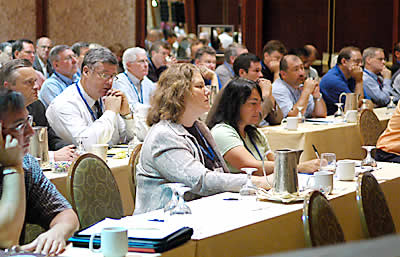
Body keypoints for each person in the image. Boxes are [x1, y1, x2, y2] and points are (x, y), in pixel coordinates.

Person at [134, 63, 271, 214]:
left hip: (201, 210)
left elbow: (219, 173)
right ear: (179, 93)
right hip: (163, 220)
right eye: (199, 86)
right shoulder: (163, 135)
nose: (207, 91)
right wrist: (256, 182)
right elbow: (200, 181)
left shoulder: (199, 127)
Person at [0, 89, 79, 254]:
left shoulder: (27, 163)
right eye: (20, 125)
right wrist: (12, 168)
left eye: (28, 121)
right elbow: (6, 238)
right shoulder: (19, 164)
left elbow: (65, 214)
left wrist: (57, 232)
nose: (30, 132)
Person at [207, 78, 319, 175]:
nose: (259, 109)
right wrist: (298, 167)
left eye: (260, 103)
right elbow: (251, 166)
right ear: (235, 105)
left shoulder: (254, 133)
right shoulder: (221, 132)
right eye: (253, 104)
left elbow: (273, 160)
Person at [46, 47, 134, 150]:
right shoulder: (64, 104)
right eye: (104, 75)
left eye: (113, 76)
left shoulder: (106, 98)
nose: (110, 82)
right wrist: (110, 112)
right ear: (86, 71)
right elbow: (88, 145)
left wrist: (127, 115)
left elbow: (128, 139)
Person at [0, 59, 77, 161]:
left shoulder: (37, 106)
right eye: (29, 82)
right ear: (8, 86)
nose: (36, 87)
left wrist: (72, 150)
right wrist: (51, 156)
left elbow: (52, 139)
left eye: (35, 81)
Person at [319, 46, 370, 115]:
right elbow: (353, 108)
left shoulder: (353, 75)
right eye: (357, 61)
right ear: (344, 62)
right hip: (331, 121)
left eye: (361, 61)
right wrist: (359, 81)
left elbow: (367, 102)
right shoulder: (332, 79)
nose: (360, 65)